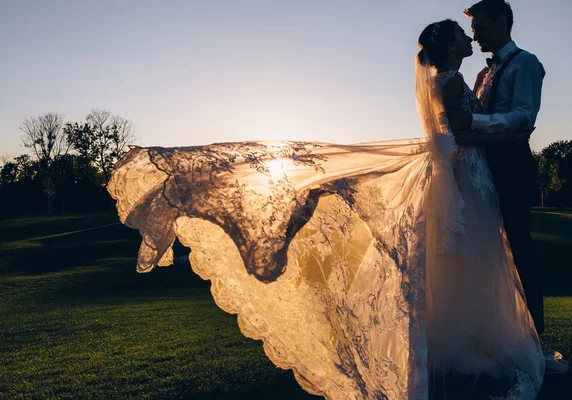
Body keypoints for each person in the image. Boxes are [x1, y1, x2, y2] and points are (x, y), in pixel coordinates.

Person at [107, 16, 544, 400]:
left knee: (474, 258)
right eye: (463, 35)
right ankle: (475, 345)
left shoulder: (460, 77)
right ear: (450, 46)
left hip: (469, 171)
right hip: (467, 169)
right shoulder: (450, 80)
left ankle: (462, 343)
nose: (470, 38)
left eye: (476, 31)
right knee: (480, 255)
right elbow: (464, 129)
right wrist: (505, 135)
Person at [449, 0, 568, 374]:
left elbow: (523, 116)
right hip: (482, 169)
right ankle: (495, 332)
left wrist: (474, 126)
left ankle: (533, 340)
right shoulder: (483, 75)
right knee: (488, 251)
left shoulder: (527, 64)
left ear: (503, 22)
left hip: (512, 167)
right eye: (472, 30)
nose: (475, 35)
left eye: (481, 27)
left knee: (519, 249)